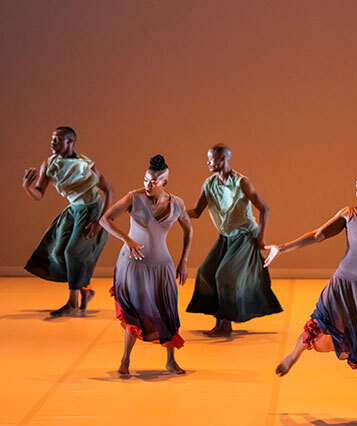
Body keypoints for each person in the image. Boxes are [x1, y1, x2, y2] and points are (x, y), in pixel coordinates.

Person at [264, 170, 357, 422]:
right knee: (320, 322)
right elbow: (318, 235)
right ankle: (293, 355)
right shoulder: (349, 214)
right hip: (342, 284)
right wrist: (283, 248)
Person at [99, 155, 192, 377]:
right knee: (134, 311)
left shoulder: (177, 204)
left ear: (164, 182)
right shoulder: (134, 198)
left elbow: (189, 229)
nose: (148, 184)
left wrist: (184, 260)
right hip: (134, 265)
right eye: (146, 179)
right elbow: (105, 219)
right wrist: (126, 239)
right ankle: (125, 360)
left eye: (153, 181)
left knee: (168, 311)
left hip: (162, 267)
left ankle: (171, 361)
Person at [186, 144, 282, 336]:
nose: (208, 162)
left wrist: (260, 240)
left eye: (211, 158)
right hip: (226, 236)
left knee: (224, 275)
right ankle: (219, 321)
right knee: (206, 272)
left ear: (223, 159)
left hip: (245, 235)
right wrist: (172, 210)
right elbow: (196, 212)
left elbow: (264, 209)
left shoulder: (241, 182)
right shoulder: (209, 184)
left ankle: (225, 326)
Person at [22, 126, 113, 317]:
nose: (52, 142)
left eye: (57, 139)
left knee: (72, 252)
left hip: (91, 210)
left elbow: (109, 190)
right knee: (57, 252)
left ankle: (72, 304)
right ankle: (85, 292)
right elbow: (39, 193)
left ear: (70, 142)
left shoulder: (85, 164)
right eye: (52, 139)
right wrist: (27, 187)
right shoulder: (49, 164)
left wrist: (99, 221)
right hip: (73, 210)